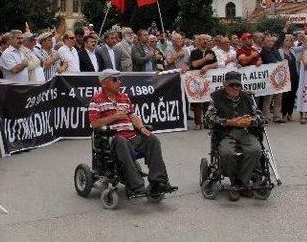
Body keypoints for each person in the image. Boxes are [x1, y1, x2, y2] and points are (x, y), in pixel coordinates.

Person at [88, 69, 176, 197]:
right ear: (104, 83)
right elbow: (94, 123)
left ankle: (158, 182)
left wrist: (141, 128)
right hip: (112, 139)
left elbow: (133, 116)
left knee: (152, 139)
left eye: (119, 79)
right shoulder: (96, 100)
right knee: (121, 141)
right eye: (114, 79)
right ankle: (136, 186)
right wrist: (114, 117)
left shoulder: (124, 97)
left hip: (132, 137)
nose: (119, 82)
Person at [207, 71, 262, 202]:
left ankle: (242, 183)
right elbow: (208, 118)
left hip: (245, 131)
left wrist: (251, 121)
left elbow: (260, 116)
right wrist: (230, 122)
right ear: (224, 84)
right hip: (225, 132)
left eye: (238, 85)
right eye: (232, 85)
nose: (235, 88)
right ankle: (234, 183)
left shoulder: (247, 98)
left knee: (255, 150)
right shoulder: (216, 97)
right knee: (227, 153)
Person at [189, 34, 218, 130]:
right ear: (199, 41)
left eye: (207, 40)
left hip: (208, 79)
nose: (205, 41)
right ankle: (197, 122)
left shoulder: (211, 52)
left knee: (207, 101)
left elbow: (216, 64)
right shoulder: (194, 52)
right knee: (197, 102)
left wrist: (207, 66)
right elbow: (194, 64)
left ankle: (206, 122)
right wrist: (205, 59)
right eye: (203, 40)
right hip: (196, 79)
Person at [260, 34, 285, 123]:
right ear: (263, 43)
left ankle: (277, 116)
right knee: (268, 98)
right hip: (269, 79)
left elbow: (279, 60)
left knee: (278, 97)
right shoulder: (262, 52)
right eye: (268, 41)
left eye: (271, 41)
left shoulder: (275, 50)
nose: (271, 43)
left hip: (278, 77)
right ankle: (265, 116)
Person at [280, 34, 298, 122]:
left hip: (294, 76)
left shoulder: (293, 51)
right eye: (286, 40)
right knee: (285, 96)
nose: (288, 42)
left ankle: (290, 114)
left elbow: (304, 47)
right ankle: (284, 114)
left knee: (292, 95)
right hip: (285, 77)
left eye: (290, 41)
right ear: (283, 41)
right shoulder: (279, 51)